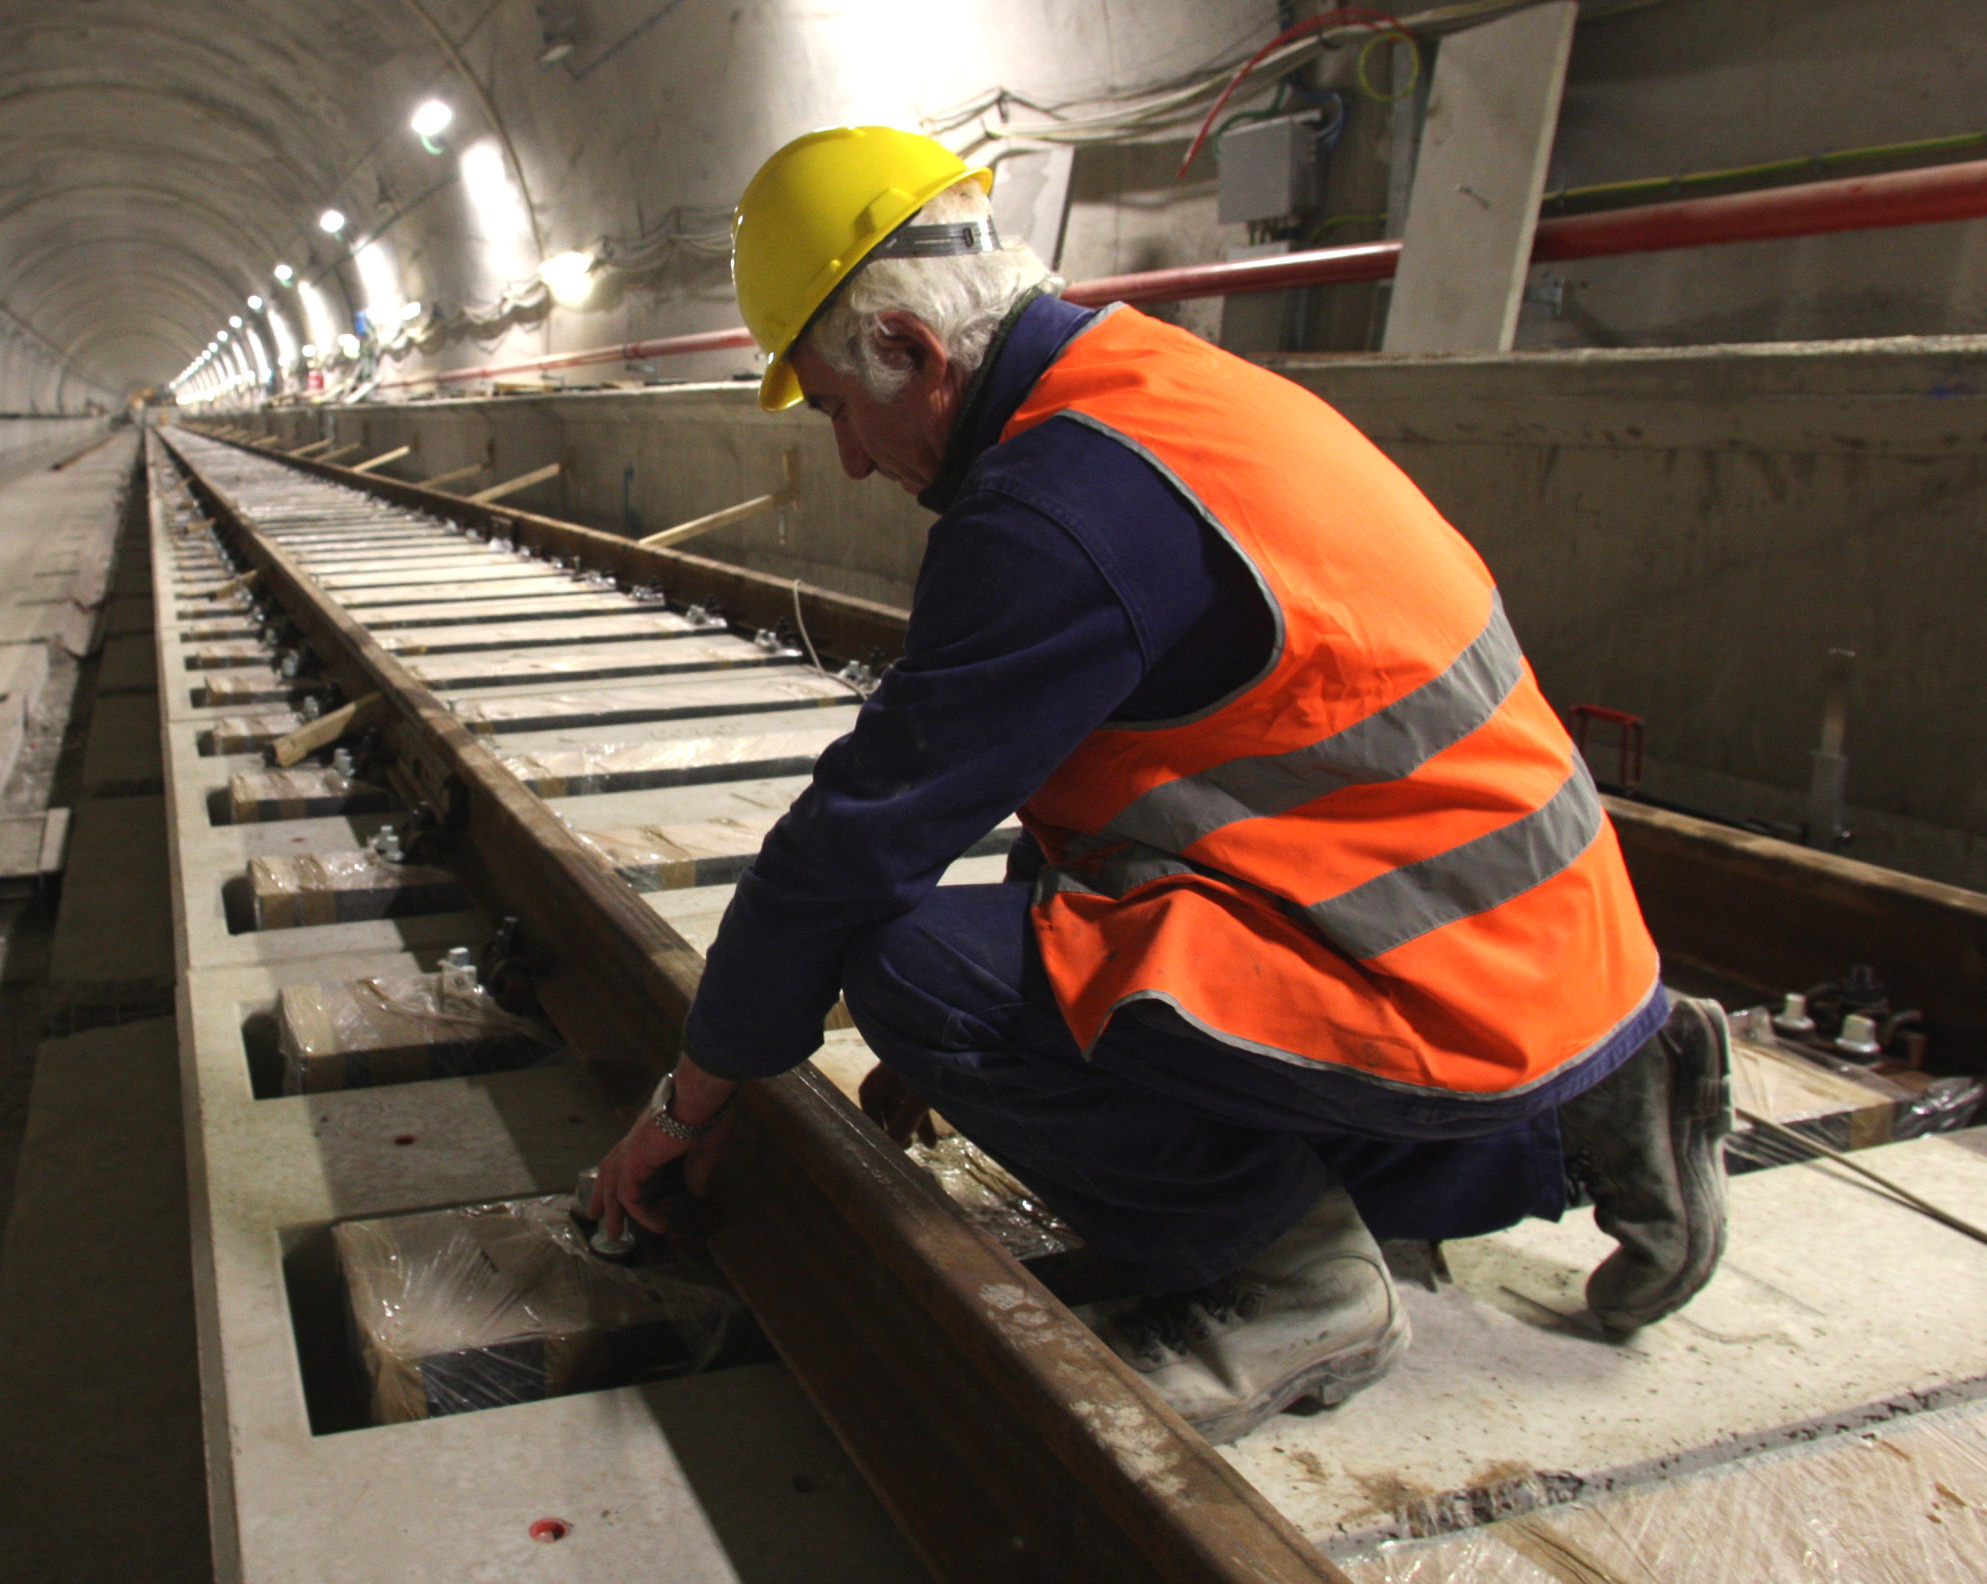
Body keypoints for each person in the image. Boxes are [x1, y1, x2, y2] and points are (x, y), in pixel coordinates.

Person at [589, 124, 1733, 1442]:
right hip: (1555, 946)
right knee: (1055, 978)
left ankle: (1297, 1286)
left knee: (907, 964)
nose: (849, 456)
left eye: (840, 409)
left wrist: (696, 1099)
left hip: (1437, 975)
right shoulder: (1150, 389)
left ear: (912, 349)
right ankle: (1608, 1094)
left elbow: (851, 850)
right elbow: (1125, 780)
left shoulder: (1050, 511)